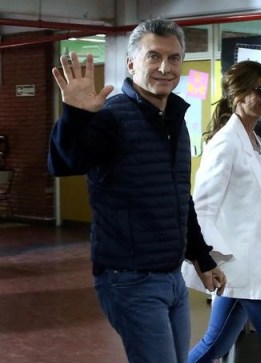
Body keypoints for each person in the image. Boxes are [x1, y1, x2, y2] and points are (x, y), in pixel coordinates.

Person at [47, 19, 226, 363]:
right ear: (131, 63)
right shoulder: (113, 117)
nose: (164, 67)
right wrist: (74, 115)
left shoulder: (174, 118)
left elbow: (177, 197)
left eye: (174, 58)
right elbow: (65, 163)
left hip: (171, 277)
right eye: (153, 56)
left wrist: (202, 258)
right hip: (129, 279)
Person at [183, 60, 261, 362]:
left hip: (254, 262)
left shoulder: (256, 140)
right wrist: (211, 261)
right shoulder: (225, 143)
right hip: (241, 264)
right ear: (238, 93)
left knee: (216, 344)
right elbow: (202, 209)